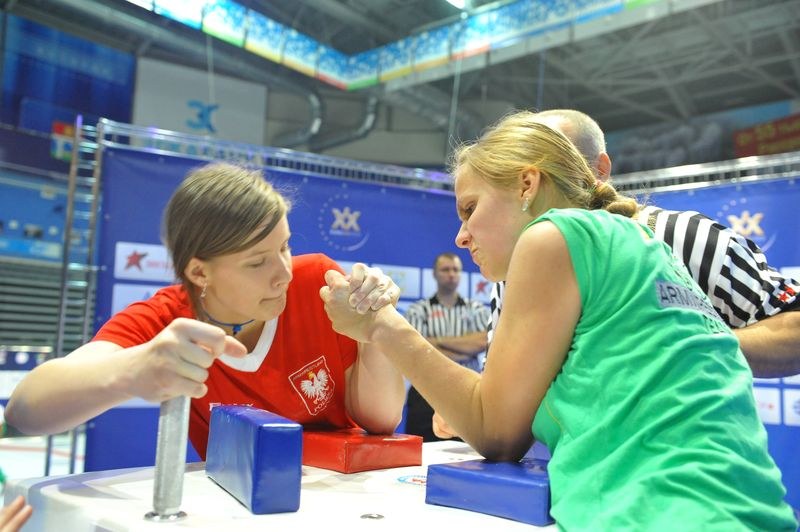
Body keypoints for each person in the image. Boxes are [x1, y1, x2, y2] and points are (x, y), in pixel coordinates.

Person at [319, 116, 798, 530]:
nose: (461, 236)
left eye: (470, 208)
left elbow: (497, 434)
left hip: (662, 514)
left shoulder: (552, 237)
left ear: (528, 185)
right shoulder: (636, 242)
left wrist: (382, 326)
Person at [5, 162, 405, 459]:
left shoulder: (318, 281)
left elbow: (382, 419)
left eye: (285, 247)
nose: (282, 273)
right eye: (257, 261)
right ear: (199, 271)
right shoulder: (165, 320)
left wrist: (375, 329)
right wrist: (131, 372)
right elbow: (25, 412)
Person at [486, 109, 800, 378]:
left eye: (553, 164)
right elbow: (499, 393)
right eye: (520, 172)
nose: (533, 184)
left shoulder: (684, 236)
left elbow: (792, 327)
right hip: (562, 451)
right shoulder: (513, 268)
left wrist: (689, 345)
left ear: (600, 169)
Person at [403, 252, 489, 441]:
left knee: (469, 456)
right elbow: (417, 347)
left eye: (456, 270)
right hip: (425, 392)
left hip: (467, 392)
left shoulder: (476, 309)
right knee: (420, 455)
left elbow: (482, 341)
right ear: (434, 274)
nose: (451, 274)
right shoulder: (419, 309)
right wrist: (464, 345)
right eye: (445, 269)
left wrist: (436, 342)